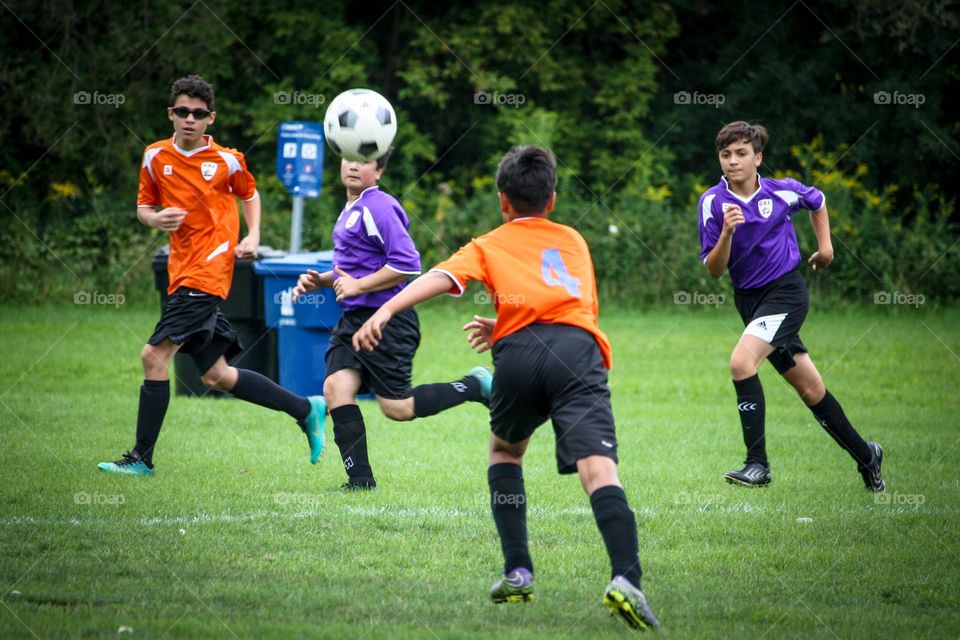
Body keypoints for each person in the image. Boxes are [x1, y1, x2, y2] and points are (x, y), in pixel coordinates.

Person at [352, 146, 660, 630]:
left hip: (516, 358)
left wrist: (385, 310)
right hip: (576, 352)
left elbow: (437, 276)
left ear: (503, 201)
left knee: (506, 454)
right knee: (599, 471)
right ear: (552, 200)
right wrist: (513, 322)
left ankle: (518, 570)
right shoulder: (574, 240)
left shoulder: (489, 242)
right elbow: (567, 304)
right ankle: (627, 578)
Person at [98, 75, 326, 477]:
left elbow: (249, 194)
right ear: (171, 114)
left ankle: (141, 459)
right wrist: (155, 219)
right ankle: (306, 408)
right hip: (179, 272)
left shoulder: (226, 160)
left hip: (208, 273)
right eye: (182, 112)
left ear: (210, 119)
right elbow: (143, 207)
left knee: (153, 356)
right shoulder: (154, 157)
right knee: (216, 374)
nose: (189, 119)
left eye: (198, 113)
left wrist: (253, 235)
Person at [698, 121, 885, 491]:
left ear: (758, 158)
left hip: (786, 293)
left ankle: (757, 465)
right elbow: (715, 270)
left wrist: (826, 247)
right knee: (811, 390)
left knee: (741, 362)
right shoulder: (712, 203)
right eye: (725, 155)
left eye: (741, 153)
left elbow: (817, 201)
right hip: (749, 301)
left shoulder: (780, 191)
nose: (733, 161)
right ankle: (868, 456)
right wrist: (726, 234)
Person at [292, 149, 491, 491]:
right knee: (336, 387)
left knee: (397, 408)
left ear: (379, 169)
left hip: (389, 319)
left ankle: (474, 385)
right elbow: (359, 265)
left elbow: (407, 264)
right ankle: (360, 481)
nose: (353, 165)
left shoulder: (379, 206)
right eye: (348, 158)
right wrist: (323, 280)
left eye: (364, 160)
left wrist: (357, 285)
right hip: (353, 318)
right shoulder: (352, 207)